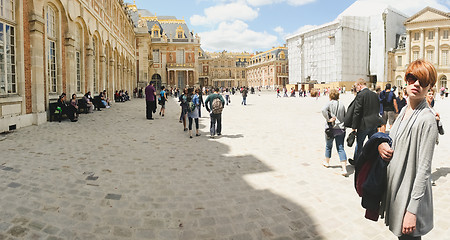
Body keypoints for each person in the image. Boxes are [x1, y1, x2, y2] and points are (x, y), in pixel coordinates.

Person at [378, 60, 439, 240]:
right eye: (412, 78)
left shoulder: (426, 119)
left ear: (430, 87)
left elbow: (424, 170)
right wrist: (381, 145)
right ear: (406, 80)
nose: (417, 84)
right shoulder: (405, 110)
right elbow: (393, 139)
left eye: (423, 81)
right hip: (397, 189)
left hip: (410, 196)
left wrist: (412, 210)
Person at [348, 78, 382, 165]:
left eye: (356, 87)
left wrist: (354, 127)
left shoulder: (360, 95)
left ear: (360, 85)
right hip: (373, 123)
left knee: (359, 144)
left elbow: (357, 112)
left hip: (363, 125)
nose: (356, 89)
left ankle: (357, 161)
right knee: (373, 144)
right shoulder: (374, 94)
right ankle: (372, 161)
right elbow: (377, 109)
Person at [321, 89, 348, 175]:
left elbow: (323, 110)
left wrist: (329, 119)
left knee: (328, 146)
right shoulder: (342, 104)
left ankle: (327, 162)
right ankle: (344, 168)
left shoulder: (329, 103)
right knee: (340, 147)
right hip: (341, 128)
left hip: (331, 128)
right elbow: (345, 115)